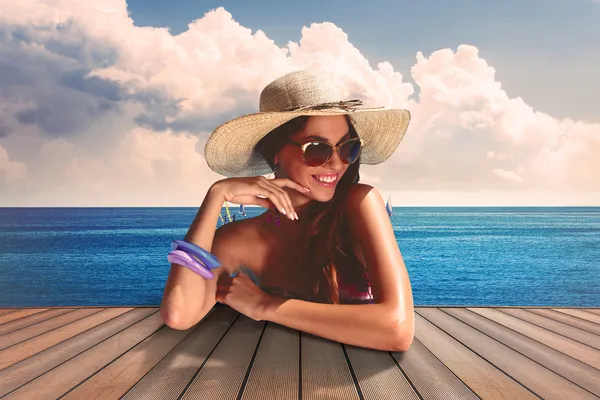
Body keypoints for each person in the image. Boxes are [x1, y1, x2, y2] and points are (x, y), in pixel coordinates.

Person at [160, 70, 415, 351]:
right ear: (276, 153)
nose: (336, 164)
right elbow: (178, 314)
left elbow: (398, 329)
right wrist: (215, 195)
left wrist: (265, 306)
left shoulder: (360, 202)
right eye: (317, 149)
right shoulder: (237, 240)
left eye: (347, 148)